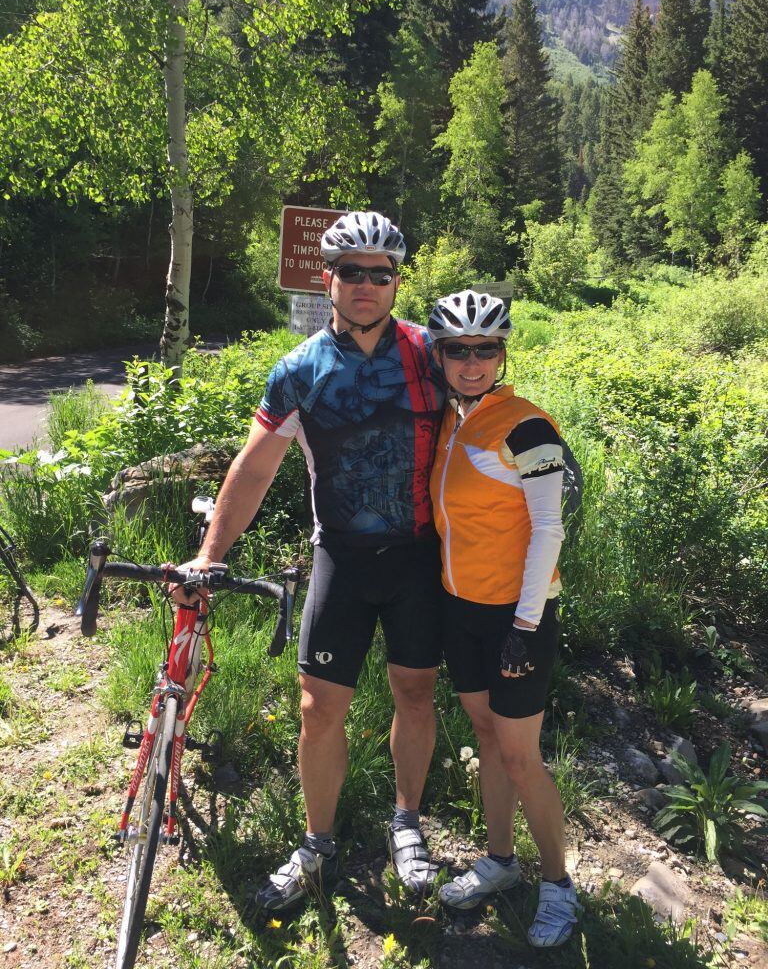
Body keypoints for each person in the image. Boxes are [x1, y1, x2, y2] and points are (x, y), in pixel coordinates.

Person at [172, 212, 446, 911]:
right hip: (342, 559)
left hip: (420, 558)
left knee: (416, 694)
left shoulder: (431, 354)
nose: (365, 284)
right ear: (328, 279)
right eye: (351, 271)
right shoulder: (300, 371)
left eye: (380, 272)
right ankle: (318, 841)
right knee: (317, 709)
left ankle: (407, 821)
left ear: (396, 282)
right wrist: (209, 555)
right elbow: (255, 468)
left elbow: (483, 432)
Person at [426, 289, 580, 948]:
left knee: (520, 756)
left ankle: (559, 885)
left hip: (518, 617)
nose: (471, 362)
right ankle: (500, 861)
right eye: (457, 350)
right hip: (460, 609)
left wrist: (524, 624)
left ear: (502, 353)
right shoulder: (449, 421)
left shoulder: (527, 426)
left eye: (485, 349)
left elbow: (549, 528)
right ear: (439, 355)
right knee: (488, 737)